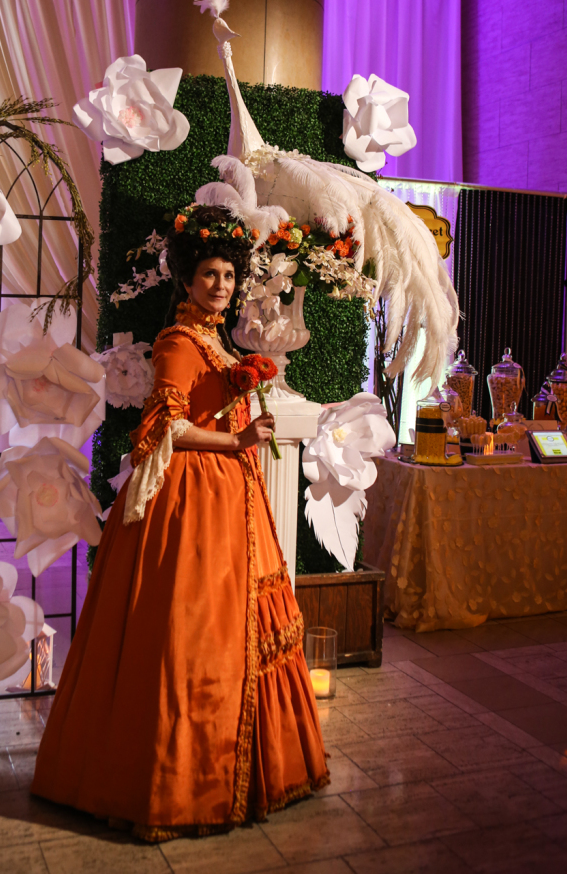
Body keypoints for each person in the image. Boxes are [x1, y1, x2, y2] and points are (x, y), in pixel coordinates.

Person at [31, 203, 329, 841]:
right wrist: (238, 439)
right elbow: (162, 430)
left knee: (228, 628)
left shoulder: (216, 339)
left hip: (226, 496)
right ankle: (176, 782)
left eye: (227, 275)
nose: (220, 285)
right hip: (192, 499)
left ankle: (233, 770)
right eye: (209, 275)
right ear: (186, 281)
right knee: (185, 630)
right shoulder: (176, 341)